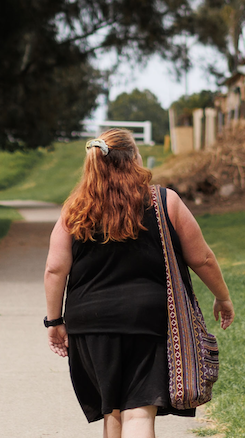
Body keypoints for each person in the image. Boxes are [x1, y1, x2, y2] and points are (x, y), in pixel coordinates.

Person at [41, 128, 235, 438]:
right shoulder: (163, 201)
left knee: (112, 409)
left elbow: (54, 269)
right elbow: (203, 259)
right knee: (138, 412)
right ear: (134, 159)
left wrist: (54, 320)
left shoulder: (75, 208)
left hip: (89, 324)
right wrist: (222, 297)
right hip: (146, 320)